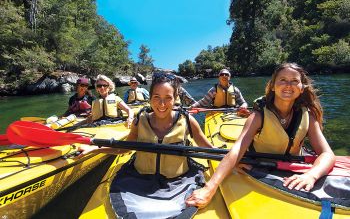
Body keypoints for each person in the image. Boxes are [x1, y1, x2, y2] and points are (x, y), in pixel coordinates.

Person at [186, 63, 335, 208]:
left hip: (293, 168)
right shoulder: (258, 116)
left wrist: (311, 175)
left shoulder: (308, 116)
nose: (288, 85)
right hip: (258, 167)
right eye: (282, 80)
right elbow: (236, 150)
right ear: (272, 86)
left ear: (302, 88)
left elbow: (327, 153)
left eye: (294, 81)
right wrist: (209, 187)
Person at [85, 72, 215, 218]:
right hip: (138, 180)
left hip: (180, 182)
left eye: (168, 98)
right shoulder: (140, 120)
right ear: (150, 97)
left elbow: (209, 149)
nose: (162, 104)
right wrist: (93, 149)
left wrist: (233, 161)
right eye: (157, 97)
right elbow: (123, 148)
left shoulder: (187, 120)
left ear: (175, 98)